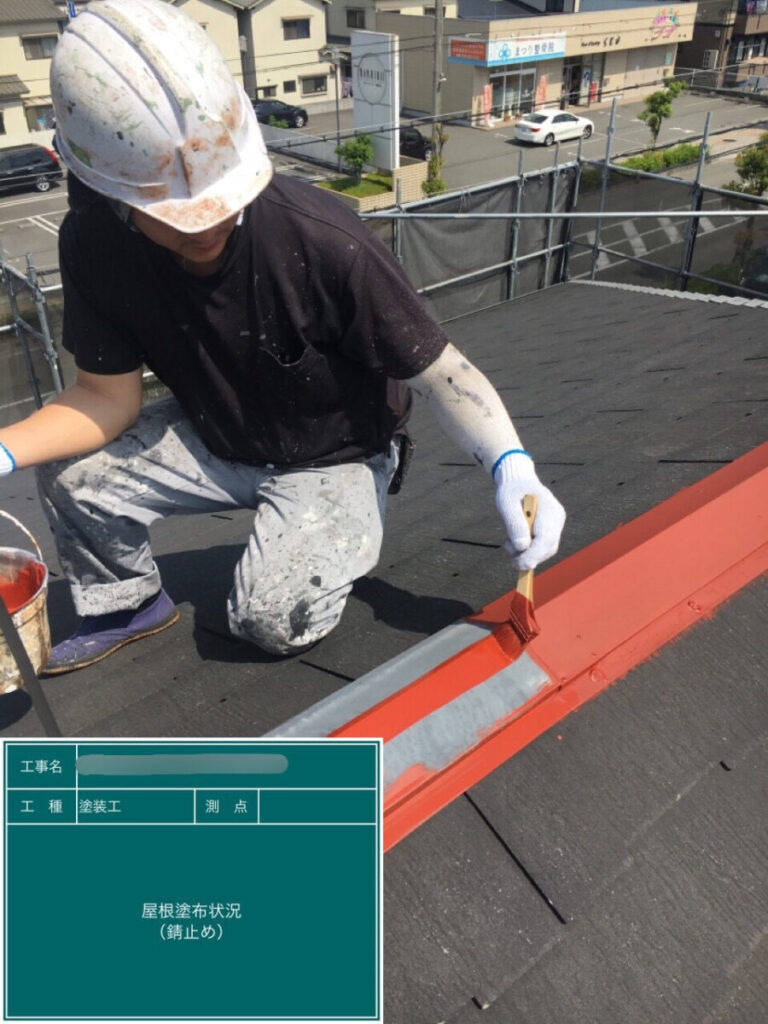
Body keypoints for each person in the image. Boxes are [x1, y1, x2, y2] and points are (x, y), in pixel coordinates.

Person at [0, 0, 565, 675]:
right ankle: (127, 604)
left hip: (335, 455)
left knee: (270, 618)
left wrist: (510, 465)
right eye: (175, 215)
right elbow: (104, 398)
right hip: (220, 434)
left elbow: (444, 374)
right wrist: (3, 451)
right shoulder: (95, 242)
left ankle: (338, 525)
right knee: (71, 474)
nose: (206, 224)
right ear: (112, 191)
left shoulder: (320, 238)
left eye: (222, 199)